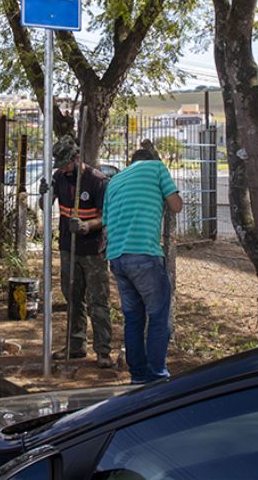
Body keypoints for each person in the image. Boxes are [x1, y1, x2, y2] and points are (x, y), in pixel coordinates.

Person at [102, 147, 182, 384]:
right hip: (144, 254)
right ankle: (157, 375)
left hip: (117, 257)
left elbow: (106, 225)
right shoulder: (157, 167)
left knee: (133, 318)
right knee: (158, 316)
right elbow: (176, 205)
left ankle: (137, 376)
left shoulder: (114, 180)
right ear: (150, 160)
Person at [48, 135, 114, 368]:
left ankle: (103, 350)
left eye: (67, 163)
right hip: (68, 248)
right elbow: (46, 205)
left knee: (98, 300)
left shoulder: (97, 181)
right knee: (73, 298)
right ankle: (76, 345)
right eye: (61, 165)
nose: (64, 169)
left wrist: (88, 226)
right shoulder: (59, 177)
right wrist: (44, 194)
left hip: (93, 250)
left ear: (77, 158)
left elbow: (107, 216)